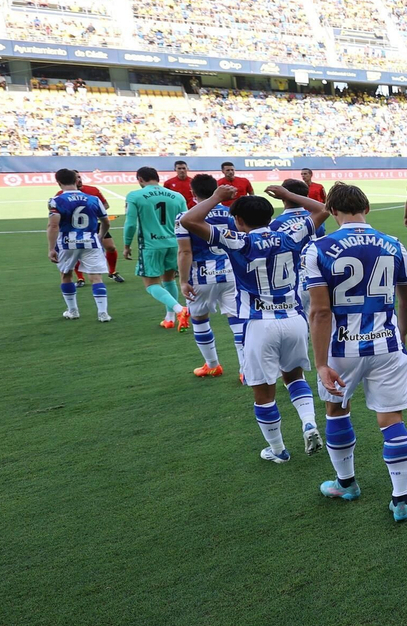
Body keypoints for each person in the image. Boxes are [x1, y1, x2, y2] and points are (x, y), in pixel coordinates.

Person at [295, 182, 407, 521]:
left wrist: (320, 364)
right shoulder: (394, 245)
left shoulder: (318, 248)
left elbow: (319, 311)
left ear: (332, 211)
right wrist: (401, 337)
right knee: (391, 419)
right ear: (367, 207)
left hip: (342, 348)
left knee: (337, 409)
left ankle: (346, 483)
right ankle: (401, 499)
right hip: (388, 344)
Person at [179, 184, 328, 463]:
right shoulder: (289, 236)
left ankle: (278, 450)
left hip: (259, 324)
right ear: (270, 216)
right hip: (294, 319)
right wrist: (287, 195)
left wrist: (215, 198)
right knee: (294, 377)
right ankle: (309, 422)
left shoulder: (237, 240)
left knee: (263, 391)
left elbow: (188, 220)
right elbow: (322, 209)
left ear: (238, 220)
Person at [175, 173, 238, 377]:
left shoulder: (185, 217)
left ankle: (212, 365)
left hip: (201, 276)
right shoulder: (231, 214)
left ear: (192, 193)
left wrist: (183, 281)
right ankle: (246, 371)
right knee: (238, 321)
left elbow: (185, 251)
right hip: (231, 274)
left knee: (200, 319)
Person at [122, 166, 191, 329]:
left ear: (139, 179)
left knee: (151, 284)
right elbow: (186, 221)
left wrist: (126, 245)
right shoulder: (177, 196)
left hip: (151, 245)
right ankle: (170, 319)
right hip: (174, 244)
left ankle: (179, 309)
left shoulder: (134, 195)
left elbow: (130, 224)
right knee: (168, 280)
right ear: (157, 178)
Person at [46, 168, 111, 322]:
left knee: (66, 275)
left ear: (59, 182)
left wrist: (51, 248)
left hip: (67, 243)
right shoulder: (93, 199)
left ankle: (73, 310)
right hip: (91, 241)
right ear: (76, 181)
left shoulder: (56, 200)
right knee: (96, 277)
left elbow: (53, 226)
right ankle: (103, 313)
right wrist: (100, 236)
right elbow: (106, 221)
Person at [269, 179, 320, 317]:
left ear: (282, 197)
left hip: (293, 279)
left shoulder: (275, 225)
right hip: (317, 277)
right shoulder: (316, 219)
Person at [74, 173, 124, 283]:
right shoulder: (62, 194)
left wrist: (94, 212)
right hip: (76, 227)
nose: (79, 179)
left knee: (110, 247)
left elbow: (105, 205)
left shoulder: (92, 190)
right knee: (76, 251)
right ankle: (80, 278)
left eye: (79, 177)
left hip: (94, 224)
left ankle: (112, 272)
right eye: (76, 178)